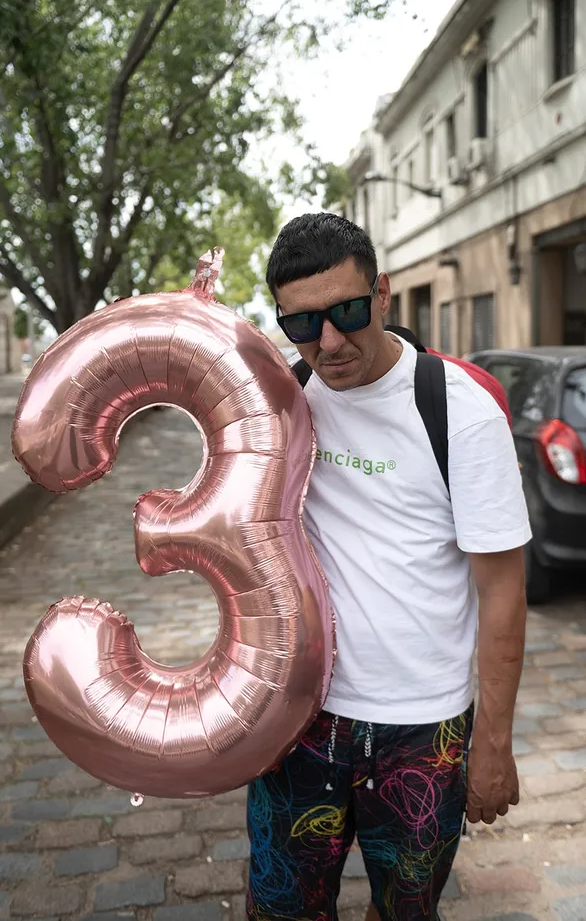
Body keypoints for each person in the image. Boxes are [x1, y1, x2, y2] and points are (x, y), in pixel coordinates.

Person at [246, 213, 531, 921]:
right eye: (304, 323)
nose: (331, 342)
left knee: (406, 911)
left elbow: (502, 592)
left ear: (382, 295)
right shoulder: (283, 403)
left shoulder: (458, 411)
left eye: (346, 311)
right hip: (299, 722)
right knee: (281, 910)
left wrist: (493, 745)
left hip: (422, 732)